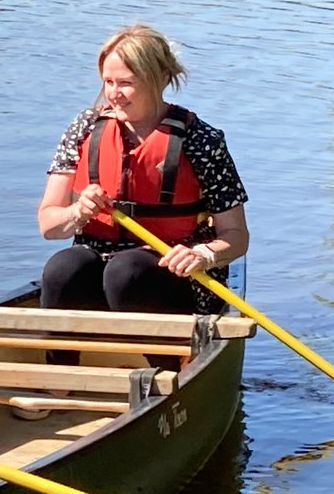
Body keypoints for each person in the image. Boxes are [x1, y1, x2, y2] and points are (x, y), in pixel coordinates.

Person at [34, 22, 250, 323]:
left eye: (125, 83)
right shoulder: (84, 129)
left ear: (161, 79)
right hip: (99, 264)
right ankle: (61, 363)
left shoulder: (201, 140)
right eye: (108, 82)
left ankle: (167, 364)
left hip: (175, 272)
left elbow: (237, 237)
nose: (114, 94)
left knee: (127, 271)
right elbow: (48, 225)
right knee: (63, 268)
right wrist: (77, 212)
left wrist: (203, 254)